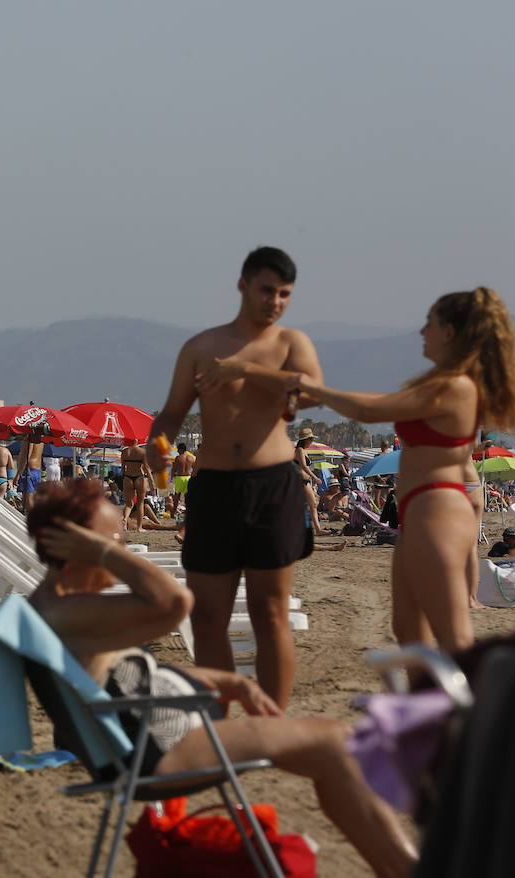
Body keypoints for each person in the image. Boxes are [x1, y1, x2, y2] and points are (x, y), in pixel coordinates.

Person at [27, 481, 417, 877]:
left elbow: (124, 677)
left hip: (141, 740)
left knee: (333, 747)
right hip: (152, 753)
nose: (122, 549)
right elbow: (176, 603)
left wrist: (227, 681)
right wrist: (105, 552)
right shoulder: (66, 613)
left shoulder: (61, 608)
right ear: (75, 546)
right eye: (115, 540)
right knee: (338, 743)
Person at [225, 287, 515, 656]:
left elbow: (372, 410)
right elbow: (370, 407)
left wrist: (310, 386)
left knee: (450, 631)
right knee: (408, 628)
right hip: (419, 509)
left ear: (450, 333)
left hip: (442, 508)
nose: (421, 332)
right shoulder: (437, 382)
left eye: (428, 324)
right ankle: (433, 703)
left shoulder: (458, 386)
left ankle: (470, 709)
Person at [148, 246, 322, 709]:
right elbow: (170, 415)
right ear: (243, 285)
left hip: (273, 484)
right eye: (267, 290)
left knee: (270, 614)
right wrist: (157, 445)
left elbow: (309, 394)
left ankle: (271, 720)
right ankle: (218, 720)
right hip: (216, 486)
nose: (275, 301)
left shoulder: (291, 344)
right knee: (208, 617)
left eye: (285, 293)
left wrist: (244, 369)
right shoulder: (202, 347)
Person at [294, 429, 325, 537]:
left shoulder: (303, 450)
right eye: (311, 439)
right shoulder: (299, 450)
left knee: (312, 505)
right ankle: (317, 529)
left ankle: (318, 529)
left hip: (305, 481)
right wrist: (315, 477)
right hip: (300, 481)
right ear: (305, 439)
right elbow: (303, 466)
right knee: (309, 506)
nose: (312, 441)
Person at [119, 443, 152, 531]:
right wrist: (152, 481)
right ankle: (139, 527)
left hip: (127, 477)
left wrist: (124, 478)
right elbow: (147, 467)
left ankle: (125, 519)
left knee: (129, 504)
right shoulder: (142, 452)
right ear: (136, 441)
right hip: (139, 477)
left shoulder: (124, 452)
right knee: (140, 503)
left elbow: (122, 468)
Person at [15, 429, 45, 511]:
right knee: (30, 500)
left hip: (28, 471)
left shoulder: (29, 440)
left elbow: (26, 457)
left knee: (28, 502)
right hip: (37, 471)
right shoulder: (41, 441)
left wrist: (18, 474)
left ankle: (35, 520)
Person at [168, 442, 194, 517]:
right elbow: (195, 468)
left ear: (181, 450)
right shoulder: (191, 458)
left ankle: (173, 514)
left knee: (177, 497)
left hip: (180, 477)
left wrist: (171, 478)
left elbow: (174, 469)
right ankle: (189, 512)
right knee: (188, 496)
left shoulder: (178, 458)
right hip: (188, 477)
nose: (177, 452)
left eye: (178, 450)